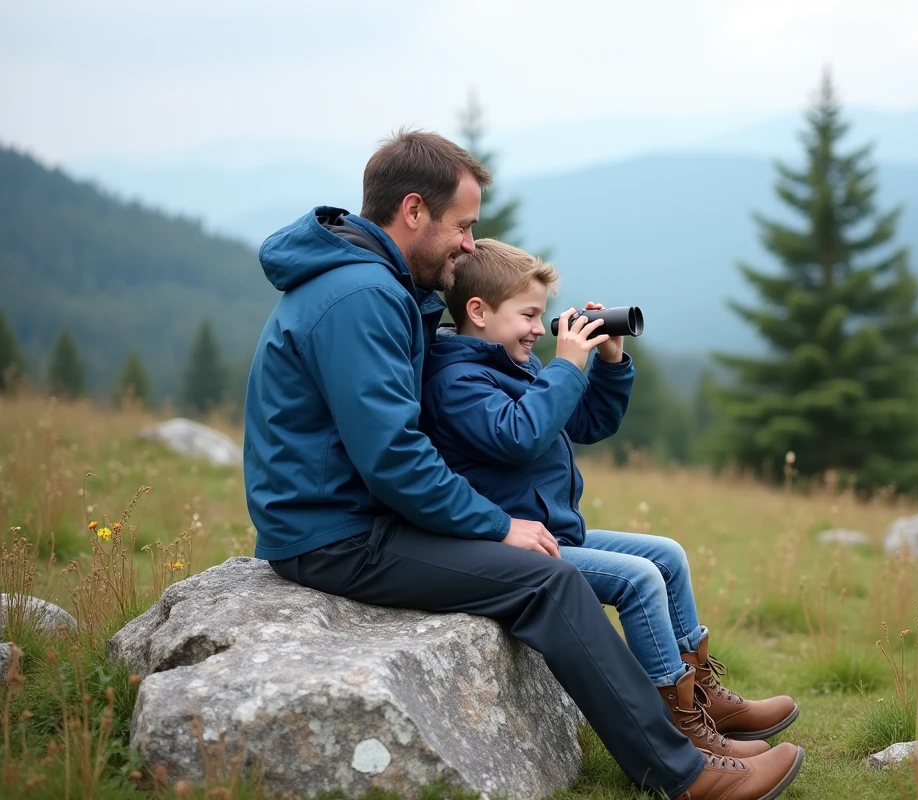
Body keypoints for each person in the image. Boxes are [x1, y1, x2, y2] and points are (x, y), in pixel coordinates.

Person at [243, 129, 803, 800]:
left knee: (593, 567)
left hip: (350, 514)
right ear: (413, 211)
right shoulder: (361, 298)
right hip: (337, 535)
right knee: (551, 582)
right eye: (463, 225)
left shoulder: (377, 286)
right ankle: (683, 775)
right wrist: (495, 525)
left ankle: (692, 730)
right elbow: (391, 455)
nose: (470, 244)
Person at [419, 239, 800, 761]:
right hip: (510, 544)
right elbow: (519, 435)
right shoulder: (456, 380)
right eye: (528, 315)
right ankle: (681, 729)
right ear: (478, 312)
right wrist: (567, 366)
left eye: (543, 315)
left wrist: (609, 363)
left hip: (554, 531)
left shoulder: (517, 365)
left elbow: (589, 422)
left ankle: (703, 696)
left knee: (665, 555)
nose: (539, 328)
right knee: (637, 580)